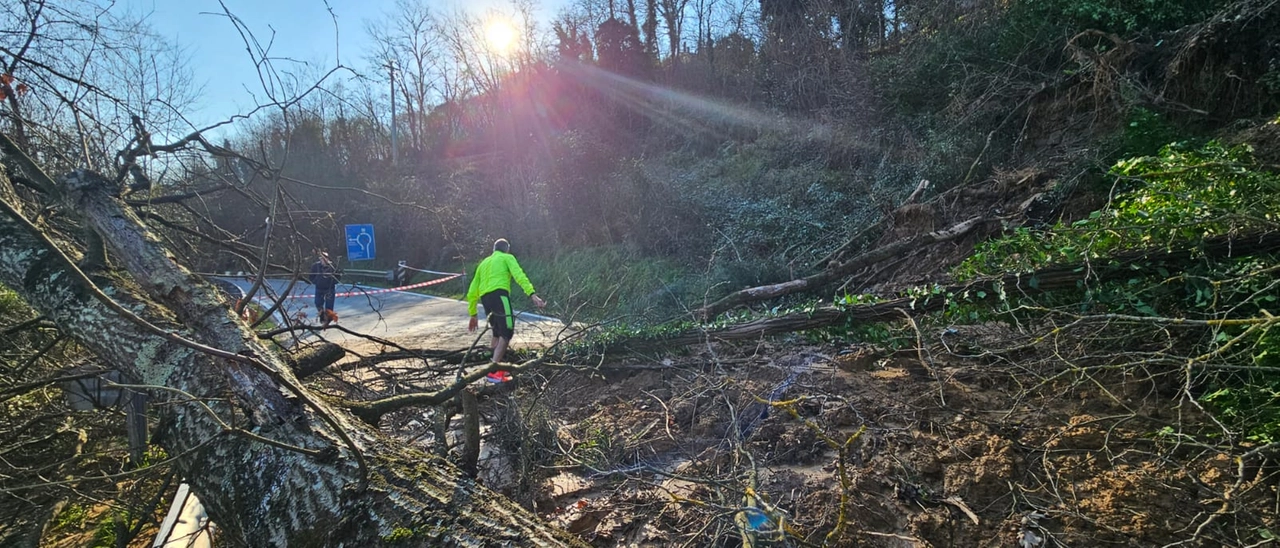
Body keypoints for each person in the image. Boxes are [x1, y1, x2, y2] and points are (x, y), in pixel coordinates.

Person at [467, 238, 546, 383]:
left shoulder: (483, 264)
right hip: (500, 295)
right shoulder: (507, 257)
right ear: (507, 249)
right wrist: (532, 294)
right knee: (507, 332)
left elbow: (472, 290)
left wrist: (473, 313)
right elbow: (518, 275)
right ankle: (493, 372)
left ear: (493, 249)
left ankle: (494, 369)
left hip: (485, 299)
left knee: (496, 333)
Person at [309, 251, 340, 326]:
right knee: (318, 303)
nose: (323, 260)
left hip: (330, 288)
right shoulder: (315, 266)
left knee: (329, 306)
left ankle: (327, 321)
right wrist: (316, 281)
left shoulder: (332, 266)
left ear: (327, 258)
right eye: (322, 259)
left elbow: (338, 276)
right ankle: (322, 316)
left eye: (325, 258)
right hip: (319, 288)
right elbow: (311, 276)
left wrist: (333, 282)